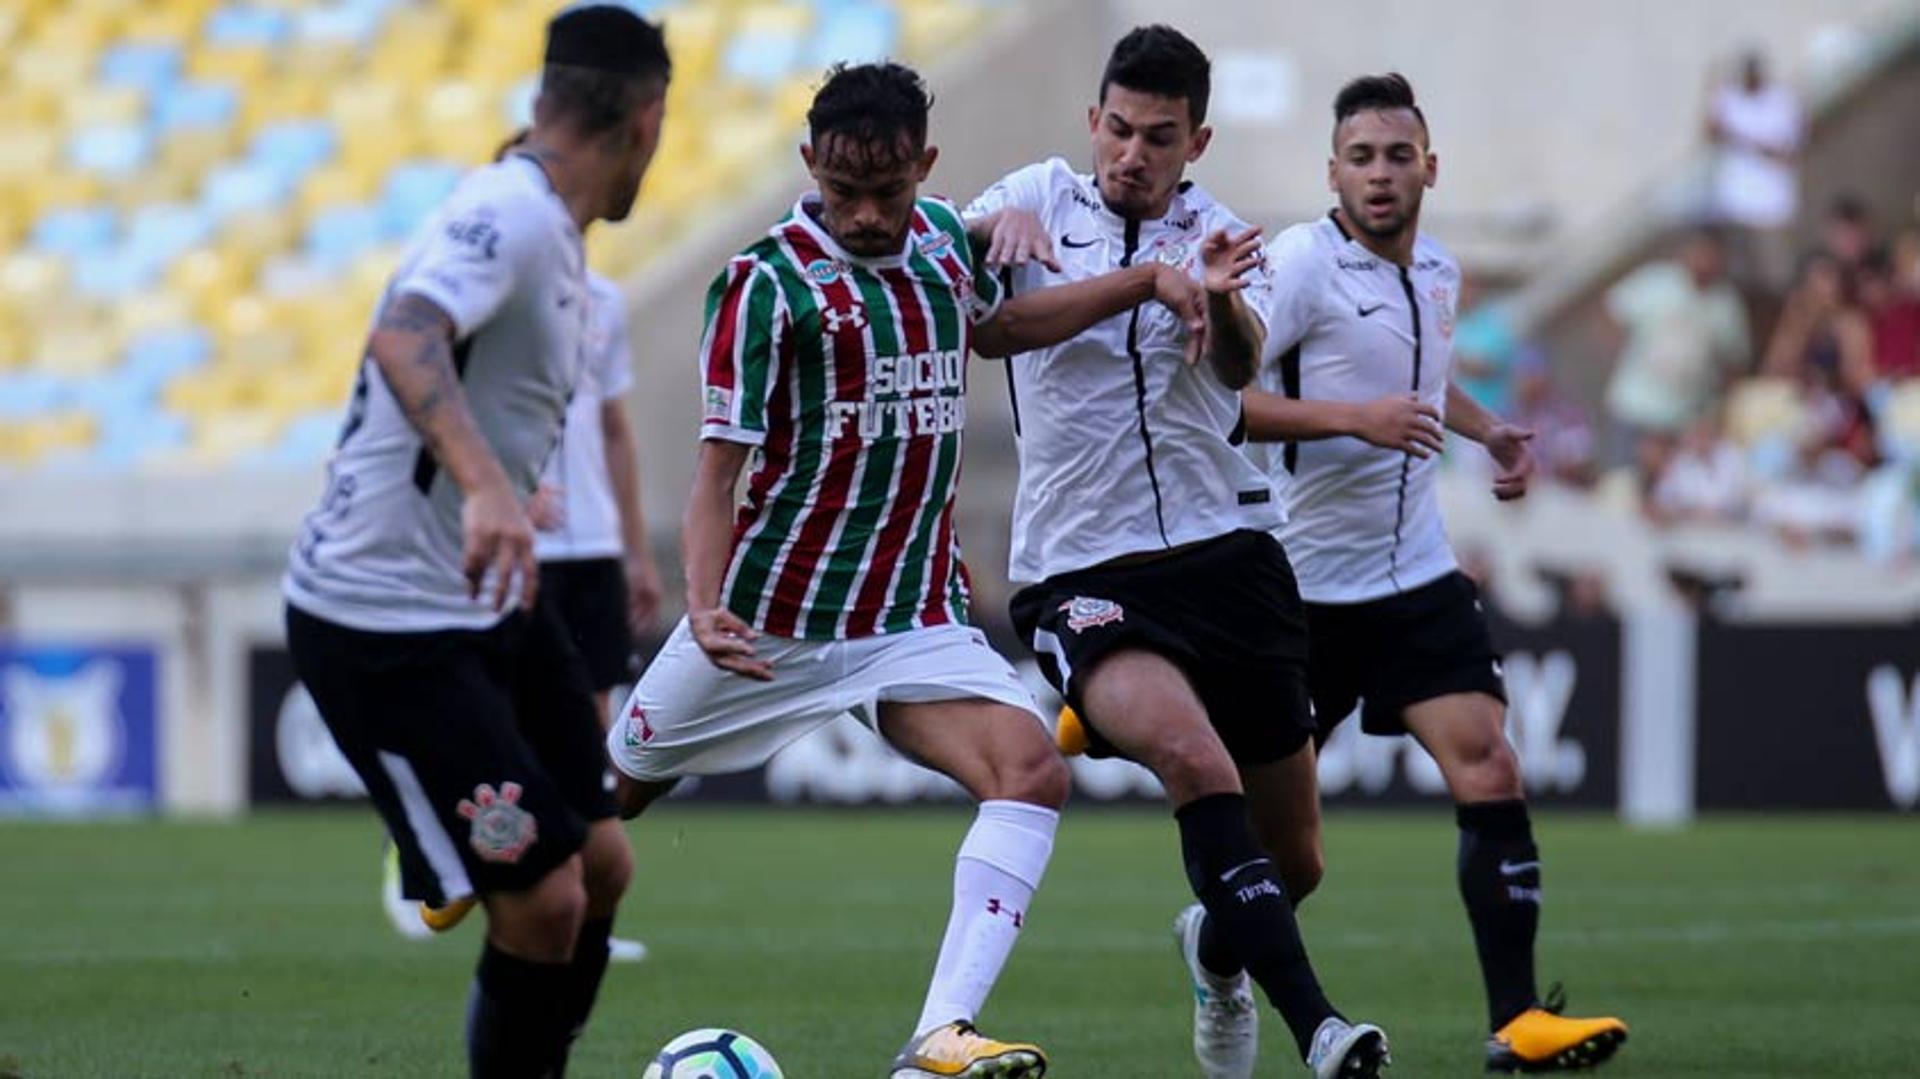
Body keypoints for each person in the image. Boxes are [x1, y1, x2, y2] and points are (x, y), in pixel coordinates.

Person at [603, 61, 1215, 1079]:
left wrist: (1144, 280)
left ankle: (939, 1033)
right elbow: (720, 473)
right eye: (845, 194)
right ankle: (472, 859)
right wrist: (703, 605)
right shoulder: (765, 285)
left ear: (924, 168)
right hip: (770, 618)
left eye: (888, 192)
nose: (869, 214)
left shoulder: (941, 242)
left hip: (908, 618)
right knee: (612, 795)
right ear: (812, 168)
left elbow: (1003, 327)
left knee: (1030, 768)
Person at [964, 26, 1389, 1079]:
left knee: (1295, 861)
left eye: (1159, 136)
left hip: (1229, 553)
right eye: (1118, 129)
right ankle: (1323, 1029)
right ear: (1091, 122)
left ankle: (1213, 941)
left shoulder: (1223, 234)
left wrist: (1217, 298)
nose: (1132, 154)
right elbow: (992, 330)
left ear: (1195, 140)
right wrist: (1002, 230)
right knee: (1195, 761)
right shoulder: (1032, 199)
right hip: (1081, 567)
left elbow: (1242, 372)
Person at [282, 8, 670, 1075]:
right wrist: (491, 483)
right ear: (649, 121)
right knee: (543, 895)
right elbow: (404, 334)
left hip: (489, 598)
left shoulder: (555, 233)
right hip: (383, 620)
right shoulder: (515, 213)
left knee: (602, 865)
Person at [1236, 72, 1629, 1072]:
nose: (1379, 175)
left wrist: (1491, 429)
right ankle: (1216, 937)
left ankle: (1517, 1019)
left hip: (1414, 577)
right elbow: (1220, 399)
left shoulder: (1441, 271)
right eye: (1360, 158)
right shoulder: (1298, 265)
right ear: (1333, 171)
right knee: (1291, 863)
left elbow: (1417, 377)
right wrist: (1350, 421)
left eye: (1397, 156)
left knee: (1491, 762)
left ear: (1430, 168)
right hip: (1303, 590)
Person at [385, 133, 661, 966]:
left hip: (592, 549)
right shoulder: (476, 294)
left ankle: (567, 912)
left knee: (592, 743)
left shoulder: (602, 303)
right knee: (498, 728)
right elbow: (436, 398)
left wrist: (634, 549)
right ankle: (444, 854)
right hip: (513, 540)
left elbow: (613, 428)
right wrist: (498, 484)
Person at [1601, 228, 1751, 466]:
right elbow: (1612, 309)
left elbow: (1735, 360)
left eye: (1712, 256)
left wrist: (1716, 411)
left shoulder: (1725, 305)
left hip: (1682, 418)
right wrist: (1618, 351)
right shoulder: (1657, 282)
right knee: (1624, 482)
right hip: (1634, 408)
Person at [1704, 49, 1802, 289]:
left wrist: (1739, 136)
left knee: (1775, 281)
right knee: (1738, 283)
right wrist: (1712, 91)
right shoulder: (1730, 100)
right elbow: (1710, 133)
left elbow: (1784, 154)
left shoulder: (1782, 101)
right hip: (1734, 209)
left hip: (1771, 212)